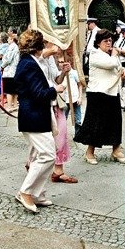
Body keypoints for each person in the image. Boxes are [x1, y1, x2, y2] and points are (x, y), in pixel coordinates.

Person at [13, 30, 67, 213]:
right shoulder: (28, 64)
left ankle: (37, 193)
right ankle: (26, 192)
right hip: (33, 116)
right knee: (48, 155)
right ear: (38, 47)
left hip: (38, 115)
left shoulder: (33, 61)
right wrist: (56, 89)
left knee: (41, 156)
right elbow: (38, 94)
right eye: (42, 44)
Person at [73, 29, 125, 164]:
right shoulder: (95, 54)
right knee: (96, 124)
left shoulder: (110, 55)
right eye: (106, 41)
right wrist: (116, 55)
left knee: (115, 122)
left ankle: (116, 150)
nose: (109, 43)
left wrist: (124, 70)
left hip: (112, 92)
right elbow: (111, 64)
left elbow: (118, 68)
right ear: (98, 43)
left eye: (110, 40)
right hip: (98, 93)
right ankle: (90, 152)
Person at [42, 43, 78, 184]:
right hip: (42, 102)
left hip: (56, 101)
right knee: (42, 137)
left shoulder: (50, 57)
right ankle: (33, 163)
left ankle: (58, 170)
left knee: (61, 133)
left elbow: (56, 79)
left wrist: (63, 72)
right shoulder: (33, 57)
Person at [1, 32, 20, 111]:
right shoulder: (15, 47)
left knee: (9, 90)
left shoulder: (12, 47)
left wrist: (2, 66)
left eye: (8, 38)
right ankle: (15, 104)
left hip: (9, 71)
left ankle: (9, 106)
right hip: (14, 71)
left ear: (12, 39)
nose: (7, 40)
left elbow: (8, 59)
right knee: (14, 90)